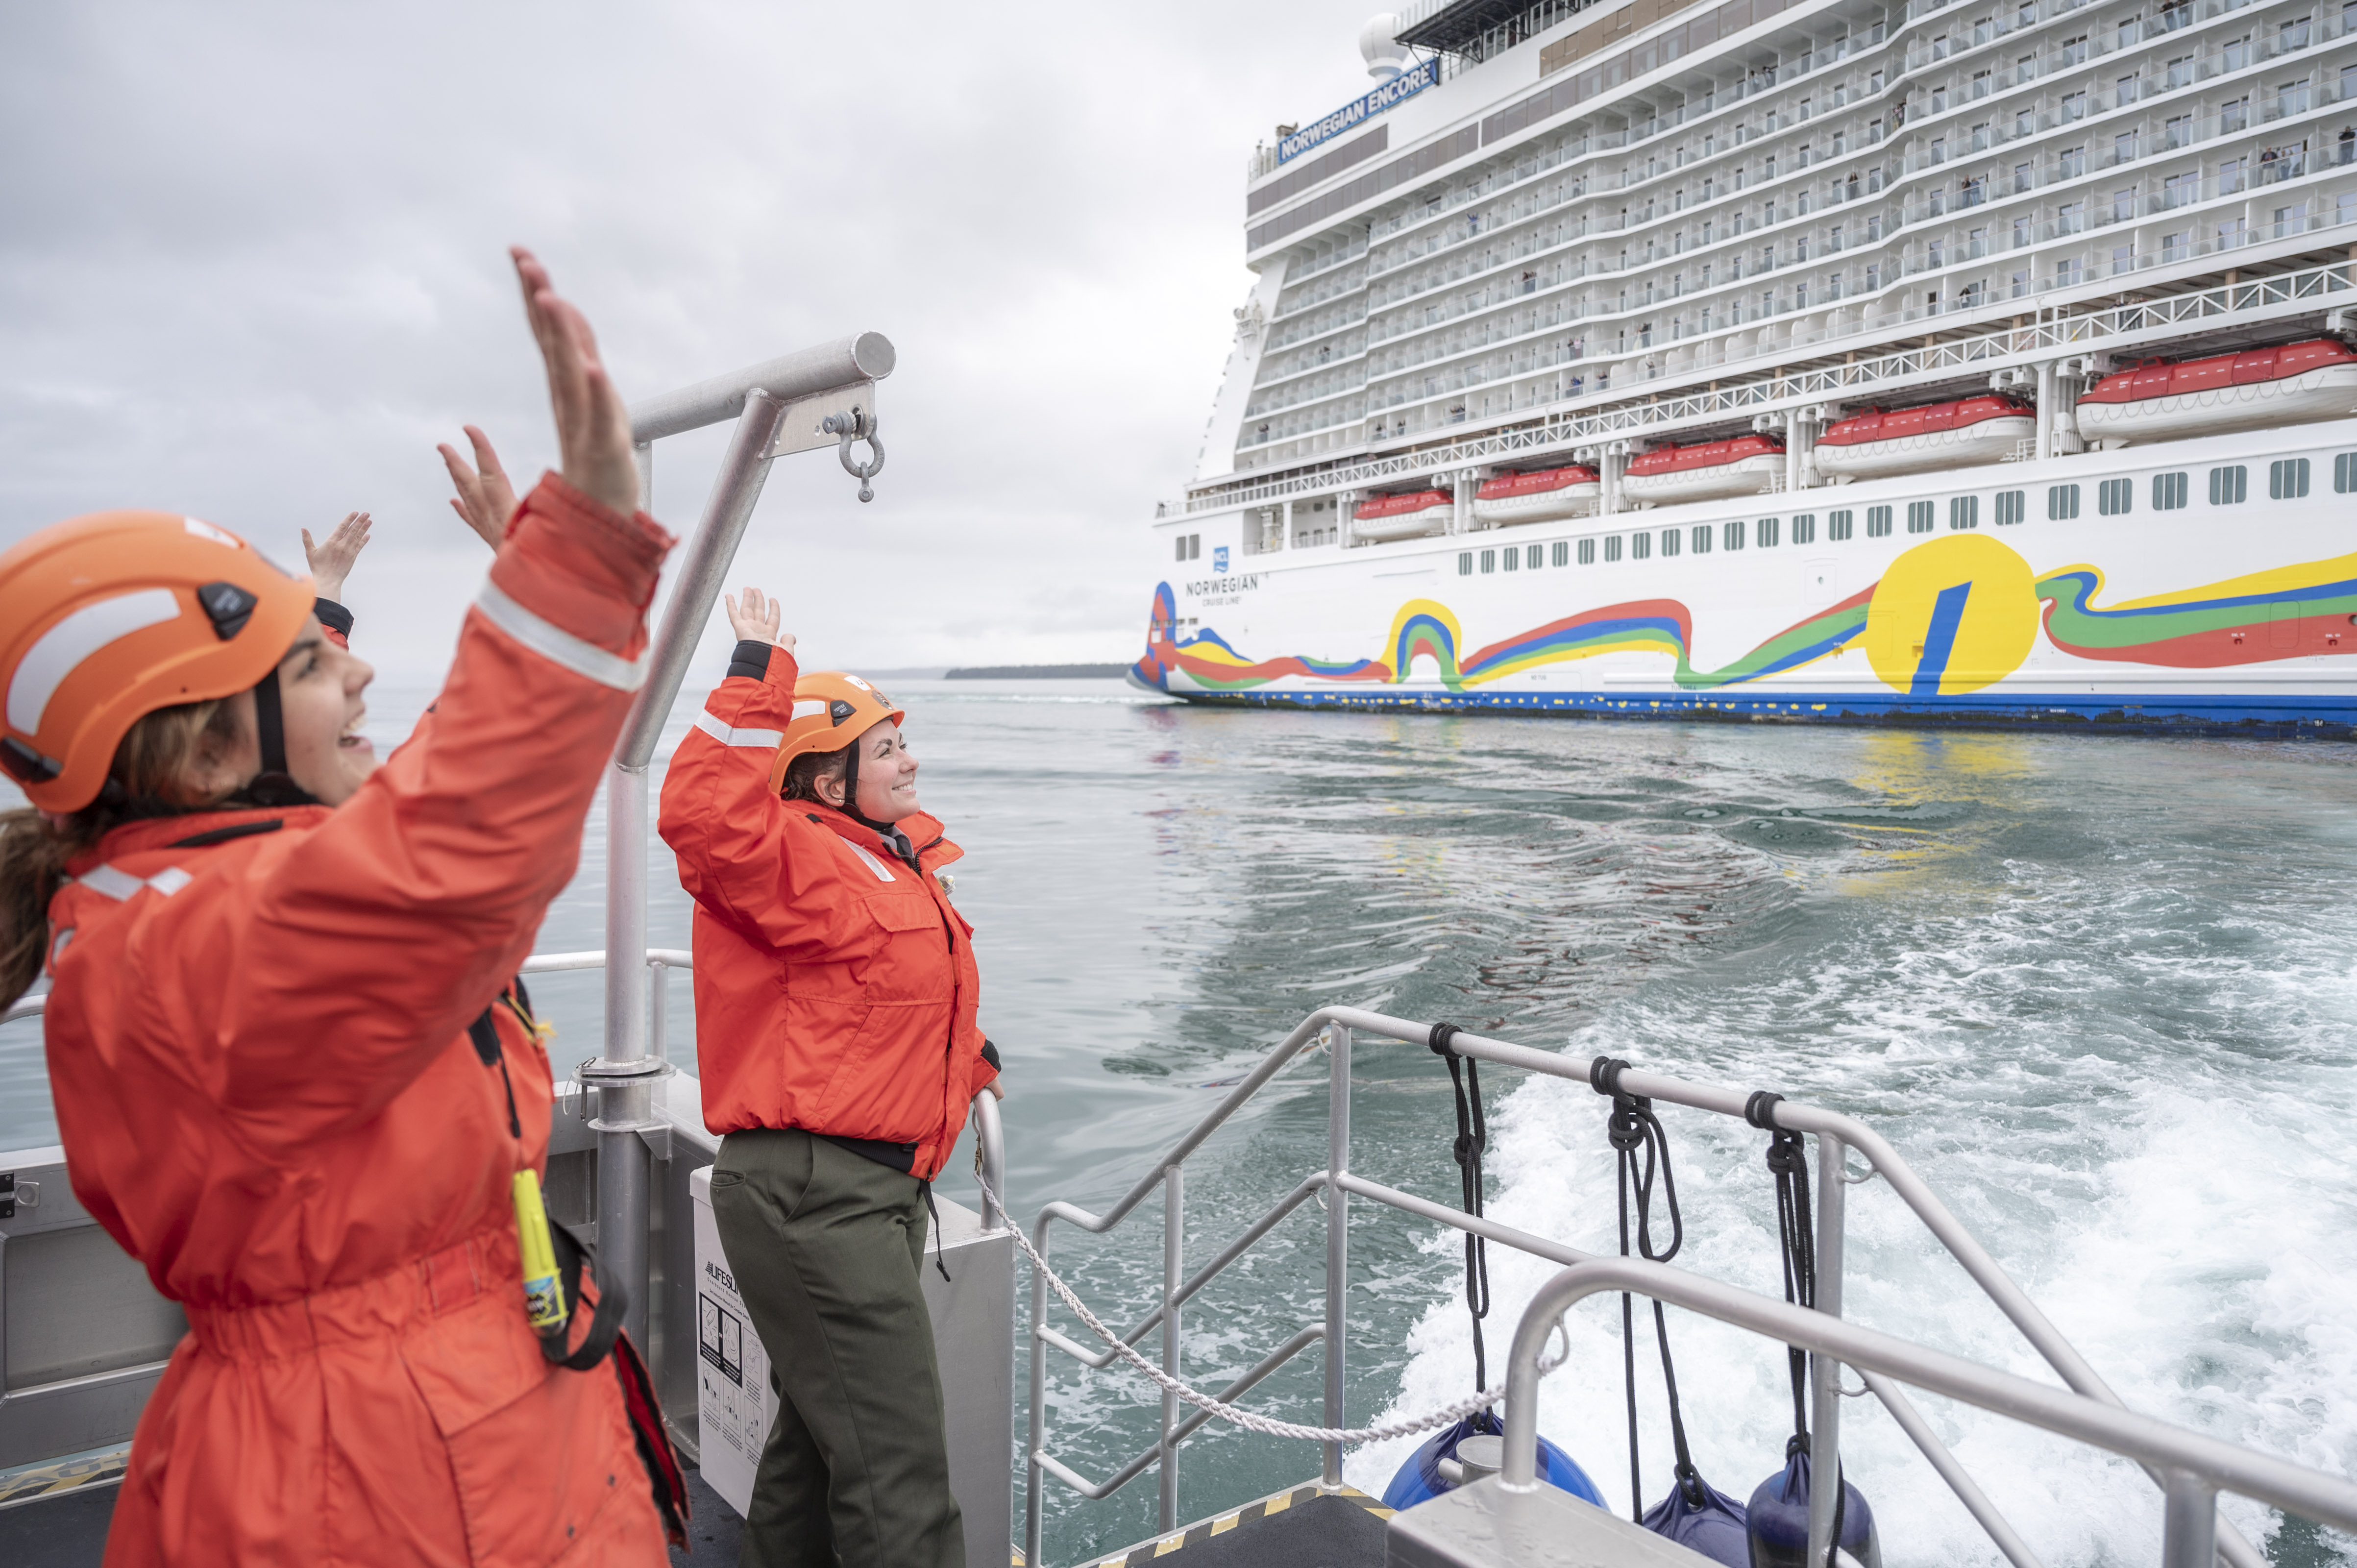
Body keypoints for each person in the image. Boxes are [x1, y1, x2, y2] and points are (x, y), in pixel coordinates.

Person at [0, 247, 685, 1566]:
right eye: (316, 663)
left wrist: (406, 612)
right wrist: (577, 565)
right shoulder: (190, 958)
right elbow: (448, 854)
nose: (361, 673)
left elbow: (413, 818)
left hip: (441, 1422)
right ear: (208, 755)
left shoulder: (190, 901)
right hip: (384, 1476)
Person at [657, 587, 1000, 1568]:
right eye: (885, 749)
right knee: (900, 1482)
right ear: (823, 776)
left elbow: (876, 1003)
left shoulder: (883, 862)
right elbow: (704, 822)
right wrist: (754, 675)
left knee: (815, 1447)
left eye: (902, 743)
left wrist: (970, 1065)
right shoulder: (797, 858)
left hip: (868, 1193)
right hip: (819, 1198)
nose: (910, 760)